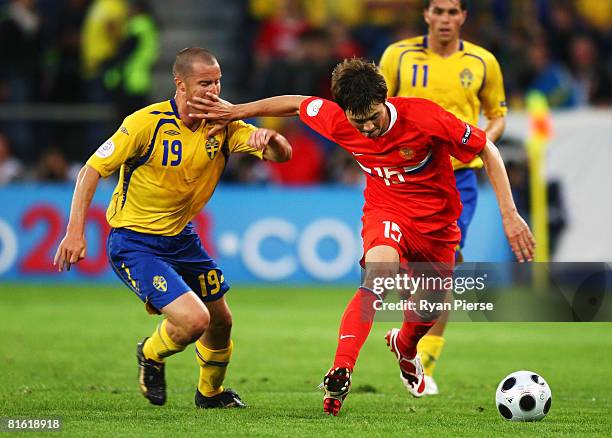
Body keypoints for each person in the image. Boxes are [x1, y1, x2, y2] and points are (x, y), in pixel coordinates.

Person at [186, 58, 534, 415]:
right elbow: (295, 103)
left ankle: (405, 346)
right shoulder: (337, 118)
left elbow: (487, 149)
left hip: (438, 226)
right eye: (358, 120)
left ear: (385, 99)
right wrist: (236, 112)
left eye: (374, 117)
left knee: (427, 312)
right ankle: (341, 370)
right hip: (387, 213)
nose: (368, 127)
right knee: (376, 278)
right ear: (345, 112)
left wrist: (509, 215)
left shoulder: (424, 117)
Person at [53, 47, 292, 409]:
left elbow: (282, 156)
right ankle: (150, 353)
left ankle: (209, 394)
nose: (214, 91)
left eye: (218, 82)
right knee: (195, 321)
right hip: (135, 241)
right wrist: (75, 231)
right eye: (204, 83)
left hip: (181, 237)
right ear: (180, 84)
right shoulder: (144, 124)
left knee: (221, 321)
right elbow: (90, 171)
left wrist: (270, 140)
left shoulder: (223, 122)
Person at [378, 0, 509, 395]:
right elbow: (375, 108)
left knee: (446, 263)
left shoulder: (484, 62)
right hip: (402, 177)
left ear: (463, 17)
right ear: (427, 15)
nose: (446, 19)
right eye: (439, 11)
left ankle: (424, 362)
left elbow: (497, 114)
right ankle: (408, 338)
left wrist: (477, 145)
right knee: (403, 269)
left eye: (454, 12)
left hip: (458, 179)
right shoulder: (397, 56)